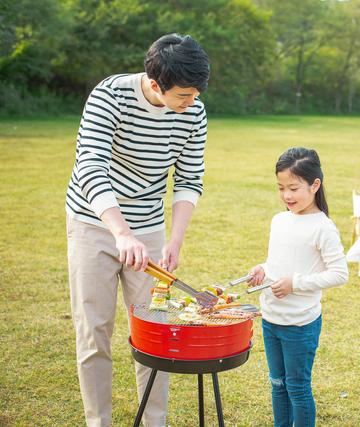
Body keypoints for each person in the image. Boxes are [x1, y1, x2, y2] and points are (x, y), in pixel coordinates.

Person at [65, 34, 210, 427]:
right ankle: (99, 422)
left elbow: (189, 179)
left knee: (154, 329)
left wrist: (174, 238)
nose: (190, 104)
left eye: (195, 94)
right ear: (155, 82)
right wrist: (121, 233)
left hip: (148, 227)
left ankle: (154, 422)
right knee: (94, 329)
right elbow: (90, 166)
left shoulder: (193, 113)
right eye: (182, 96)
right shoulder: (109, 96)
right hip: (93, 222)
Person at [247, 147, 349, 427]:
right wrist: (262, 269)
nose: (286, 196)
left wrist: (296, 284)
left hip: (300, 324)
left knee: (297, 387)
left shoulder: (323, 227)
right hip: (271, 319)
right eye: (281, 188)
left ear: (315, 185)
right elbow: (276, 262)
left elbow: (340, 274)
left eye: (293, 188)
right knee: (277, 384)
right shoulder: (279, 220)